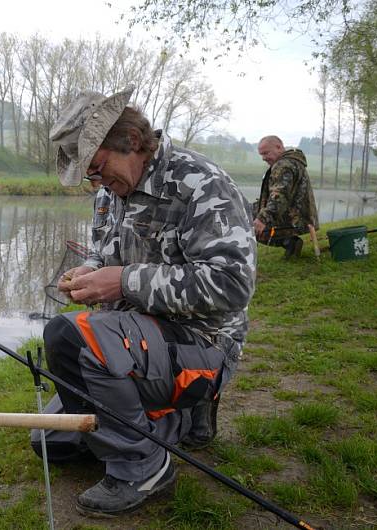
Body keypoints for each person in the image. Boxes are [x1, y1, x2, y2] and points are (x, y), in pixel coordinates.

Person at [33, 86, 256, 517]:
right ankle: (180, 417)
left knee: (66, 336)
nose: (95, 184)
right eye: (89, 178)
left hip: (203, 342)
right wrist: (90, 270)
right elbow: (105, 253)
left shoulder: (201, 183)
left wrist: (123, 282)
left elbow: (232, 284)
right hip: (135, 338)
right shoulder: (109, 193)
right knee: (51, 443)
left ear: (131, 142)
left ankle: (146, 468)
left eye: (96, 169)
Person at [253, 135, 319, 258]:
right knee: (250, 211)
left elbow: (279, 195)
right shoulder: (293, 161)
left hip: (293, 220)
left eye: (266, 153)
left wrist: (262, 218)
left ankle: (289, 242)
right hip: (300, 217)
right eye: (261, 155)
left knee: (248, 224)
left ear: (278, 147)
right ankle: (290, 242)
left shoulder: (283, 166)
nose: (263, 158)